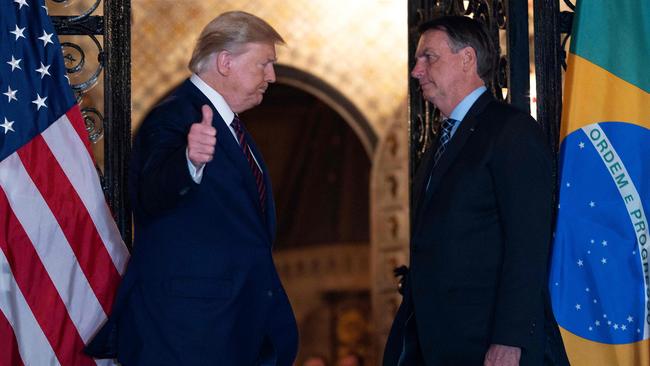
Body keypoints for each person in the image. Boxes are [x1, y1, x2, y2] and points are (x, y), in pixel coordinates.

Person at [85, 11, 298, 365]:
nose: (272, 77)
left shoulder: (232, 128)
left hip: (230, 329)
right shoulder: (173, 117)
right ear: (226, 62)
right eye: (265, 64)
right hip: (187, 334)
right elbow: (151, 191)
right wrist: (188, 162)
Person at [383, 16, 568, 366]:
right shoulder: (443, 139)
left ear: (467, 58)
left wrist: (509, 339)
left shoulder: (510, 131)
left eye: (429, 57)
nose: (416, 71)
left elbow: (527, 243)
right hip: (438, 342)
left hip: (488, 344)